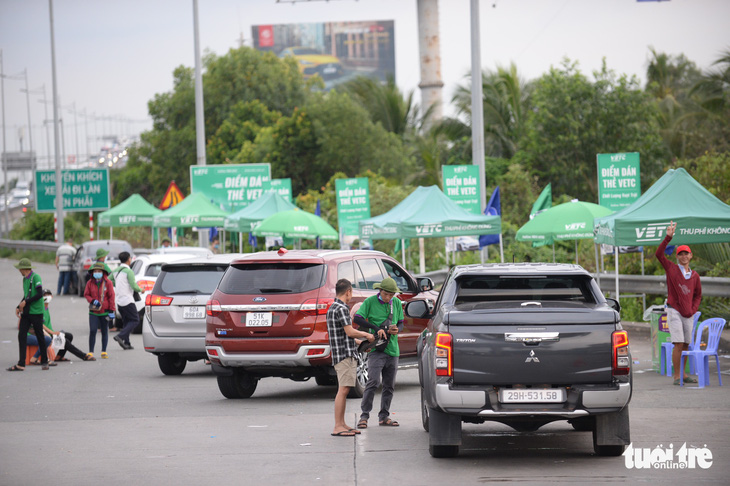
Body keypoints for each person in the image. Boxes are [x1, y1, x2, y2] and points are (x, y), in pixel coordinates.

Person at [326, 279, 375, 437]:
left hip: (341, 352)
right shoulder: (341, 308)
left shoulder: (333, 307)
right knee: (344, 389)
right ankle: (337, 426)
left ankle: (342, 424)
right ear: (348, 292)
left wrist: (358, 341)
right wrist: (366, 334)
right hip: (345, 355)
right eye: (351, 293)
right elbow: (349, 331)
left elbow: (341, 333)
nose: (350, 296)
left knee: (344, 389)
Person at [656, 221, 702, 386]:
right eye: (680, 254)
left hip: (688, 313)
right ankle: (676, 376)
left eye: (686, 254)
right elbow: (659, 254)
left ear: (690, 256)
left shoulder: (695, 276)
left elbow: (698, 295)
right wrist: (668, 238)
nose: (683, 256)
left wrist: (693, 309)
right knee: (678, 342)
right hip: (674, 310)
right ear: (677, 256)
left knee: (687, 344)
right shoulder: (672, 269)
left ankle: (683, 374)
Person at [355, 277, 404, 429]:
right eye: (386, 294)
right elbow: (358, 318)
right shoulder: (369, 302)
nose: (388, 297)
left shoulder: (395, 303)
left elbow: (401, 322)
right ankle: (364, 415)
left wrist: (397, 330)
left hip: (393, 349)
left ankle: (384, 416)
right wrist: (376, 329)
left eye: (391, 295)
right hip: (376, 349)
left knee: (389, 385)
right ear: (380, 291)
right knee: (373, 382)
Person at [8, 258, 53, 371]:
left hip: (36, 312)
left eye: (20, 269)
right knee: (21, 335)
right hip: (27, 312)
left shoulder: (35, 277)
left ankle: (44, 362)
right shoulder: (24, 280)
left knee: (40, 336)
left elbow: (39, 294)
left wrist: (26, 302)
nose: (19, 271)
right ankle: (21, 363)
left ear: (24, 269)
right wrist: (19, 306)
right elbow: (26, 296)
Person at [29, 290, 95, 363]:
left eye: (48, 295)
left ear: (51, 297)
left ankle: (59, 356)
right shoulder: (40, 308)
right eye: (44, 295)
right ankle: (83, 356)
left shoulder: (46, 308)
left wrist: (54, 333)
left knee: (69, 336)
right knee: (65, 341)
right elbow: (40, 325)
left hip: (50, 333)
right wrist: (52, 333)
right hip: (45, 334)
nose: (47, 297)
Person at [84, 262, 116, 359]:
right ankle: (91, 352)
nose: (97, 273)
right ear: (92, 273)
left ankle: (103, 351)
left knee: (104, 331)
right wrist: (92, 300)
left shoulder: (108, 283)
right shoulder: (89, 283)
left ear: (103, 272)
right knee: (93, 330)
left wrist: (112, 311)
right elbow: (86, 294)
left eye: (99, 271)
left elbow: (111, 297)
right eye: (95, 271)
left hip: (105, 311)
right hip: (93, 311)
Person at [113, 251, 141, 350]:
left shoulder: (116, 271)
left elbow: (109, 280)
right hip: (128, 300)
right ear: (129, 259)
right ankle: (120, 336)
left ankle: (127, 343)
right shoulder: (129, 271)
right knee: (135, 320)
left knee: (126, 321)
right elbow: (134, 286)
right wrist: (141, 289)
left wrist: (119, 285)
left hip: (119, 300)